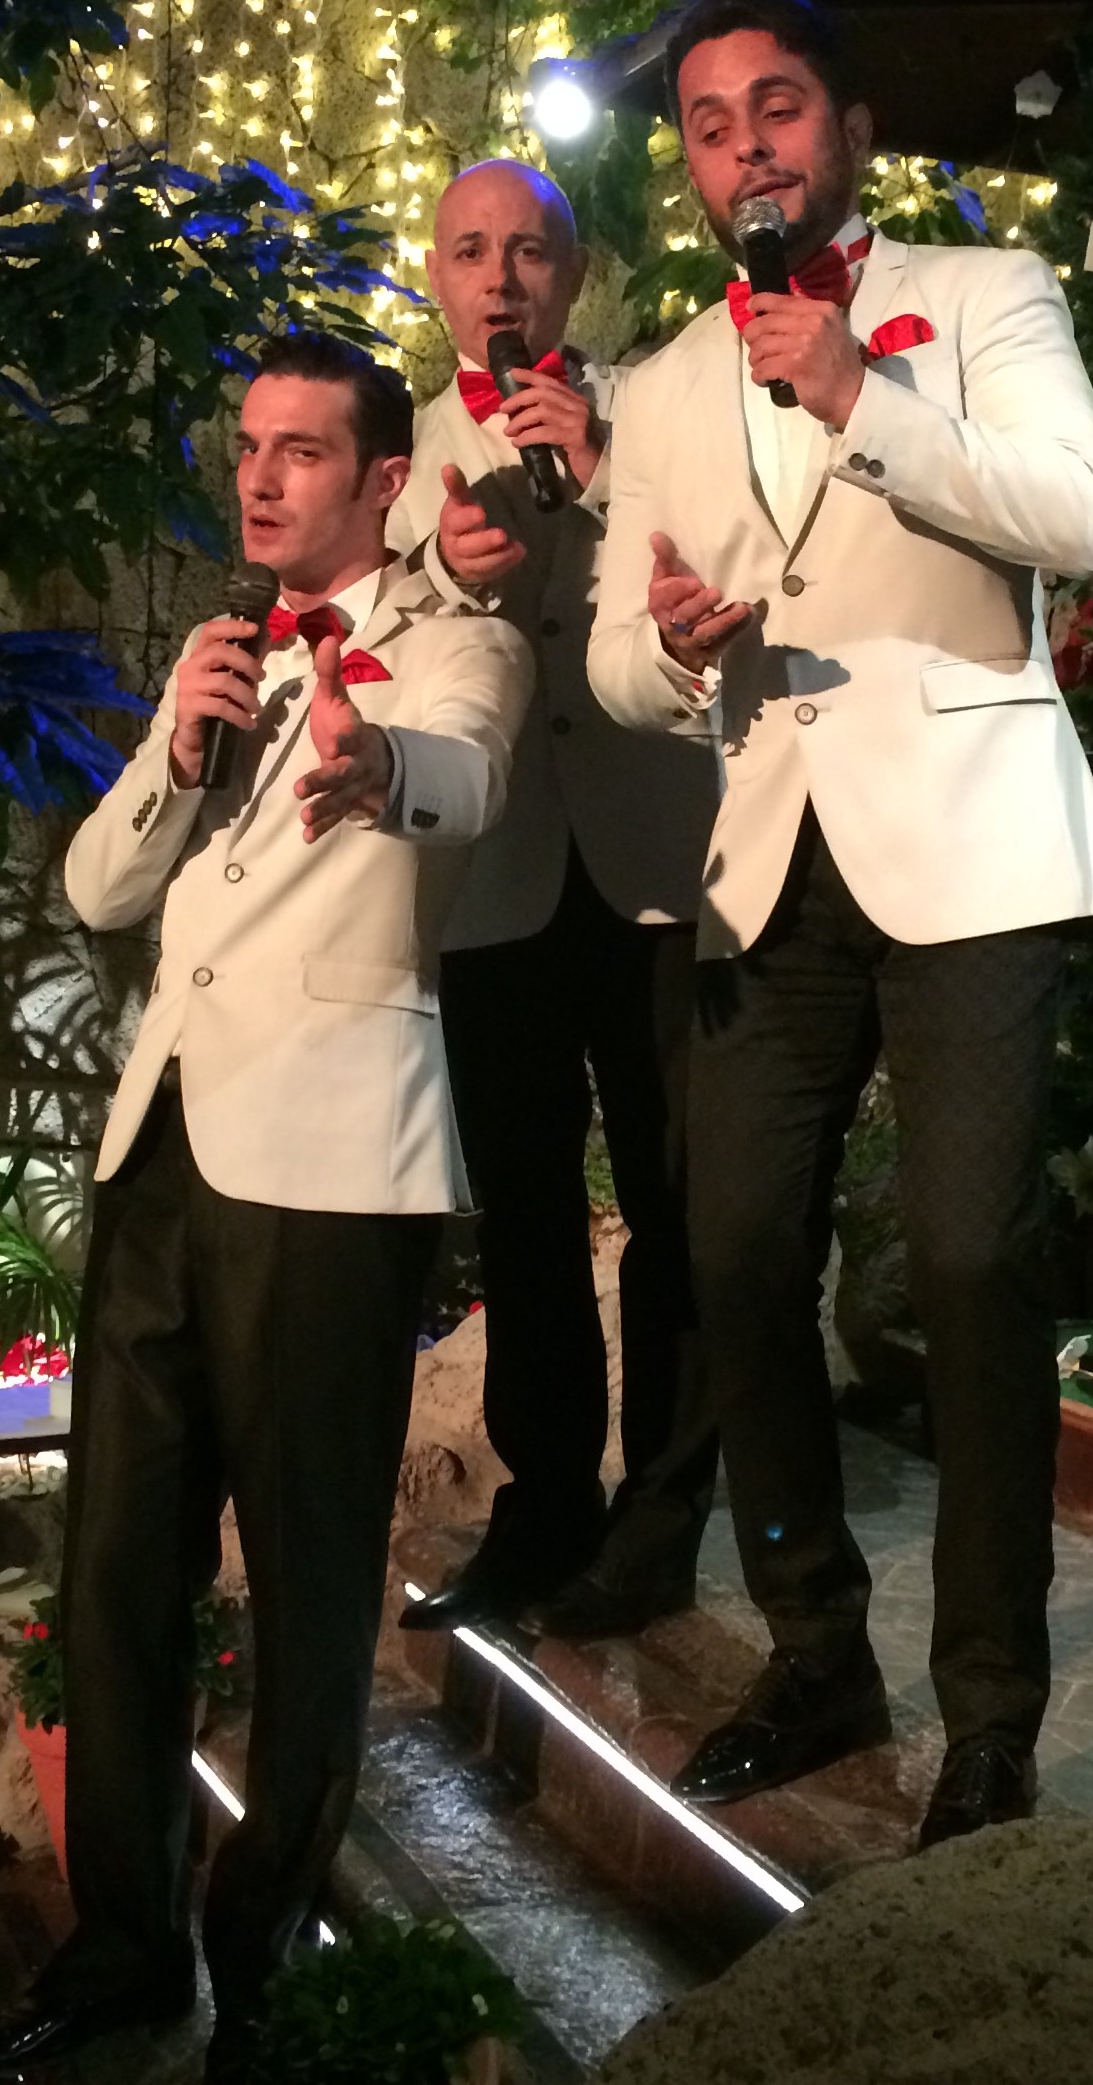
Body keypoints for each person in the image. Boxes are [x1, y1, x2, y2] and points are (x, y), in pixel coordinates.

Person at [0, 333, 532, 2081]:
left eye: (302, 450)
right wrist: (183, 748)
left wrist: (376, 765)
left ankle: (262, 1957)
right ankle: (122, 1946)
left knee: (310, 1580)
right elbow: (99, 883)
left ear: (382, 478)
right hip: (162, 1158)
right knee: (115, 1567)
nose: (260, 477)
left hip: (333, 1171)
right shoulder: (222, 649)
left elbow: (467, 776)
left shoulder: (461, 641)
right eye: (249, 446)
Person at [588, 0, 1093, 1848]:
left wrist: (856, 394)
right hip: (768, 856)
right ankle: (816, 1645)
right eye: (710, 124)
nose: (746, 146)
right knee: (733, 1253)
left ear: (849, 129)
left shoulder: (983, 295)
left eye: (778, 106)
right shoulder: (662, 382)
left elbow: (1081, 516)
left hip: (970, 842)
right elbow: (615, 659)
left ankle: (992, 1708)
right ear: (689, 166)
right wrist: (670, 650)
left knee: (971, 1262)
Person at [388, 160, 721, 1640]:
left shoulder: (655, 415)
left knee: (675, 1204)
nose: (502, 277)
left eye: (529, 250)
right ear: (438, 277)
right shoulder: (400, 456)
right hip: (497, 874)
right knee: (523, 1211)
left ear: (573, 276)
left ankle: (663, 1520)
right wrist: (441, 566)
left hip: (658, 862)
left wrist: (602, 470)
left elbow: (718, 567)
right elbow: (379, 642)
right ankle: (542, 1515)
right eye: (472, 251)